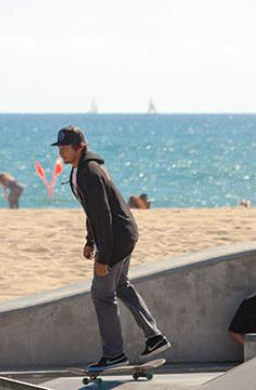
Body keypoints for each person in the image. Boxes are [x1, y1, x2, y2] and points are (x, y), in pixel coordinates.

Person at [53, 126, 171, 372]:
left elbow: (104, 216)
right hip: (123, 234)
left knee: (102, 294)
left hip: (116, 239)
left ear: (80, 147)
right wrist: (89, 240)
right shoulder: (80, 170)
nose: (62, 152)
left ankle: (114, 354)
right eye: (60, 148)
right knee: (120, 286)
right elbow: (92, 211)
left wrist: (103, 256)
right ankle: (154, 336)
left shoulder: (89, 172)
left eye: (66, 148)